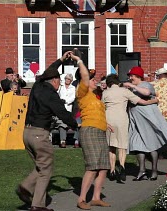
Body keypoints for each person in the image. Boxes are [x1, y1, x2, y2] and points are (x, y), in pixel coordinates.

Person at [16, 51, 77, 211]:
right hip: (39, 134)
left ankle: (28, 190)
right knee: (46, 169)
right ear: (55, 80)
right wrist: (77, 125)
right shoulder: (51, 94)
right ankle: (35, 202)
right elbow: (63, 114)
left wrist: (60, 60)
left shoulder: (37, 86)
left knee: (40, 166)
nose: (60, 84)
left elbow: (46, 73)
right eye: (59, 80)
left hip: (26, 133)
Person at [123, 66, 167, 181]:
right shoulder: (131, 87)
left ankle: (154, 170)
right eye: (130, 76)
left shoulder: (146, 85)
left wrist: (132, 86)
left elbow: (147, 92)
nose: (130, 78)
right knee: (138, 144)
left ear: (138, 76)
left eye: (132, 76)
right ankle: (142, 171)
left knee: (152, 143)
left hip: (147, 118)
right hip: (136, 119)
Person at [71, 54, 112, 210]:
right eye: (93, 80)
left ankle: (96, 198)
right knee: (92, 166)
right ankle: (81, 199)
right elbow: (85, 75)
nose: (96, 81)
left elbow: (96, 114)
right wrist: (78, 60)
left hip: (100, 131)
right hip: (89, 131)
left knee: (103, 167)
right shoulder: (82, 93)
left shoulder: (95, 97)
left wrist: (106, 124)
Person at [102, 74, 158, 183]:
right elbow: (142, 102)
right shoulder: (124, 91)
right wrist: (154, 101)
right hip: (122, 119)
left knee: (111, 146)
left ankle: (112, 170)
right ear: (118, 82)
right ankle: (122, 166)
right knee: (122, 146)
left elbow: (101, 107)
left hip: (109, 119)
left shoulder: (105, 93)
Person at [57, 73, 76, 148]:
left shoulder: (73, 88)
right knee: (62, 123)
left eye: (69, 79)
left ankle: (63, 141)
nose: (67, 80)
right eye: (66, 79)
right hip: (60, 107)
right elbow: (57, 94)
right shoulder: (60, 87)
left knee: (64, 123)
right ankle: (62, 141)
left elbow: (73, 97)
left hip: (68, 107)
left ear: (71, 81)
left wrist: (66, 101)